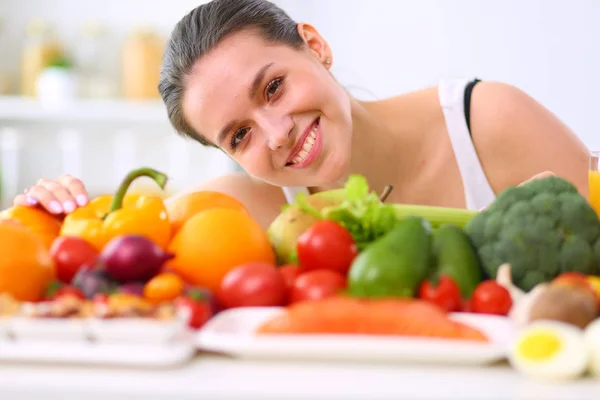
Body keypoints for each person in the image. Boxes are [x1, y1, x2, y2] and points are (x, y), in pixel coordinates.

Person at [14, 0, 590, 230]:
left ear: (315, 45)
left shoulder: (485, 120)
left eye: (272, 88)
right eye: (238, 135)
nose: (277, 132)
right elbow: (109, 246)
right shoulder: (246, 210)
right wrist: (50, 214)